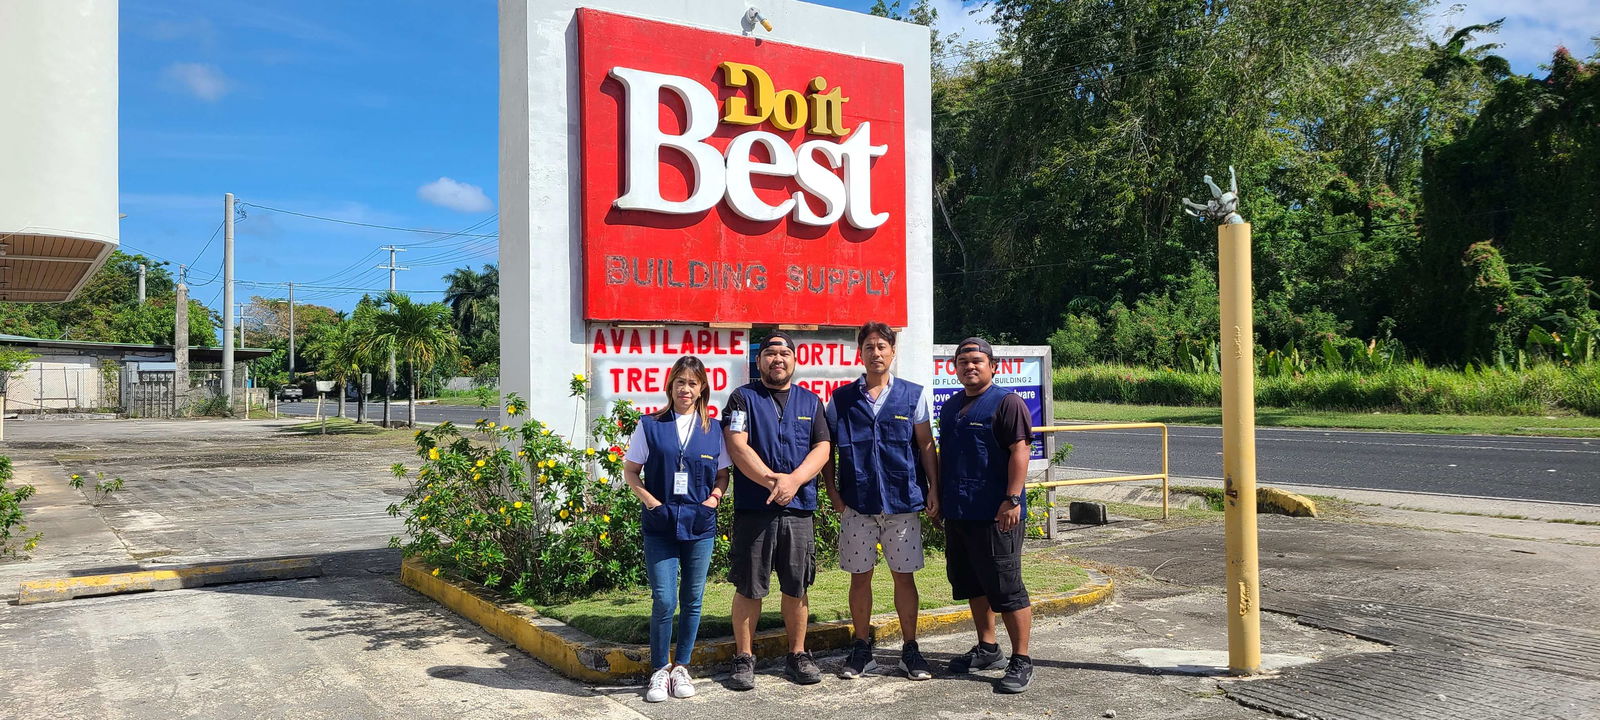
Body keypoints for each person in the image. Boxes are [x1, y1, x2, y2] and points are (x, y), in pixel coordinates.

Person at [822, 321, 940, 680]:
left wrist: (934, 487)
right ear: (861, 352)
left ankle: (910, 650)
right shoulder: (841, 400)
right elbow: (826, 450)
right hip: (858, 504)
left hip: (902, 504)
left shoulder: (912, 394)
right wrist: (832, 490)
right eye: (869, 347)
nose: (876, 353)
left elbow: (924, 445)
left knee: (904, 579)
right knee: (860, 579)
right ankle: (861, 649)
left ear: (892, 352)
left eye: (882, 347)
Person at [722, 331, 832, 689]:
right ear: (759, 362)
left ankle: (797, 654)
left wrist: (794, 481)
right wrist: (773, 482)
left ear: (795, 361)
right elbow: (737, 445)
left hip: (798, 509)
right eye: (770, 353)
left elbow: (823, 448)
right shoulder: (742, 399)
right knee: (749, 587)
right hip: (756, 508)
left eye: (785, 353)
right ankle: (743, 658)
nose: (777, 359)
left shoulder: (811, 402)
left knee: (797, 586)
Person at [622, 356, 732, 703]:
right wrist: (650, 502)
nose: (686, 389)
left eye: (693, 383)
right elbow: (631, 471)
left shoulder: (713, 429)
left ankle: (681, 666)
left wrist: (715, 498)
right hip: (661, 525)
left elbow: (723, 474)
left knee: (693, 599)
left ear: (702, 389)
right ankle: (658, 670)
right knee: (665, 599)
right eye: (680, 382)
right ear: (670, 386)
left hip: (700, 525)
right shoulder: (651, 425)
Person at [937, 337, 1036, 693]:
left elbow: (1020, 452)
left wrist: (1012, 498)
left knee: (1006, 588)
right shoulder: (950, 409)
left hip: (998, 514)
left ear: (993, 366)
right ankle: (988, 647)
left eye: (977, 360)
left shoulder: (1007, 403)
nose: (969, 366)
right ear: (955, 368)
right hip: (960, 513)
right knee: (972, 584)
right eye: (962, 361)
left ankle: (1022, 659)